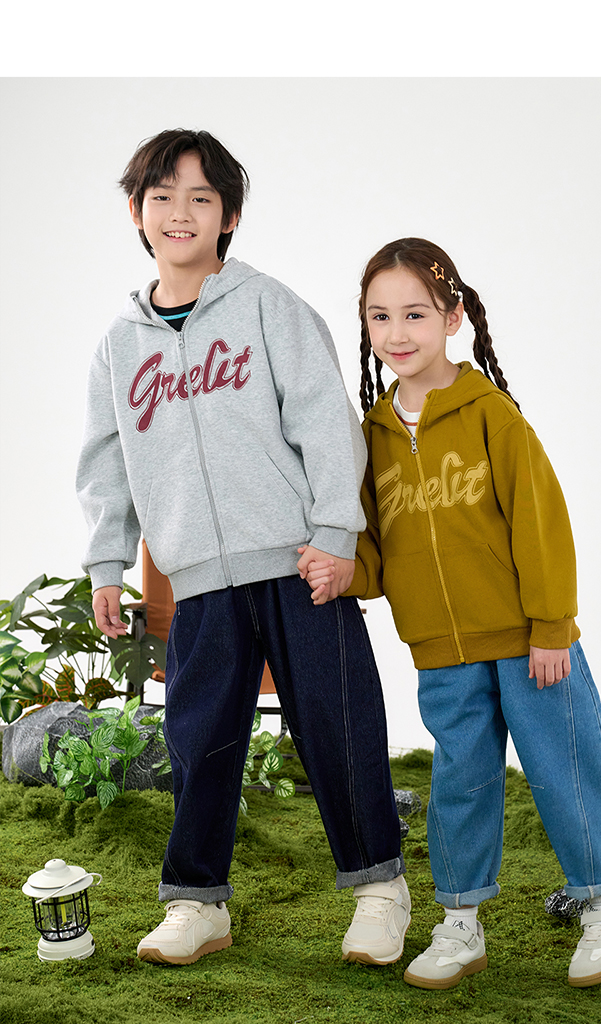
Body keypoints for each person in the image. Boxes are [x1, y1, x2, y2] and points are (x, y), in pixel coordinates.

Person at [76, 130, 410, 968]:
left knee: (338, 723)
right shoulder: (119, 345)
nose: (180, 213)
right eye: (162, 197)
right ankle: (197, 903)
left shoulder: (269, 308)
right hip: (196, 579)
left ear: (228, 216)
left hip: (300, 565)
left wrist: (335, 535)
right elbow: (105, 462)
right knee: (199, 740)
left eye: (201, 198)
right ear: (136, 212)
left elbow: (327, 424)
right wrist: (107, 564)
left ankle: (379, 890)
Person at [302, 237, 601, 990]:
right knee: (461, 782)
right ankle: (460, 921)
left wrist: (552, 628)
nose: (398, 333)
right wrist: (345, 571)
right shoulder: (372, 437)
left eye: (416, 314)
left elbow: (540, 523)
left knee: (564, 765)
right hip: (440, 651)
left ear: (452, 316)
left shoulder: (492, 414)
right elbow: (377, 550)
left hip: (530, 643)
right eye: (380, 317)